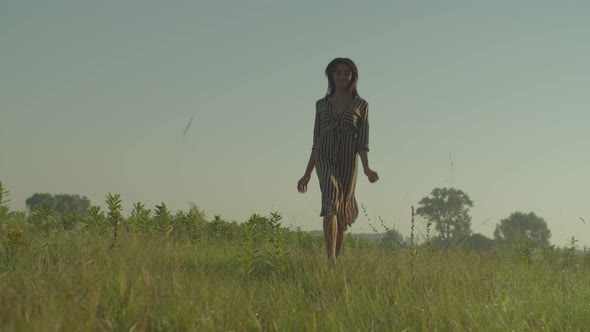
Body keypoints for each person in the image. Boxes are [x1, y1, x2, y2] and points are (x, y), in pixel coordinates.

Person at [297, 58, 379, 263]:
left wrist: (367, 169)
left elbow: (363, 142)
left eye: (346, 73)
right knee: (331, 203)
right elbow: (316, 142)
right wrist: (307, 173)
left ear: (353, 77)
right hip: (324, 157)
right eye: (337, 73)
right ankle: (331, 259)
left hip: (348, 161)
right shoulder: (321, 105)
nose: (342, 76)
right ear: (331, 76)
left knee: (342, 214)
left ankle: (334, 261)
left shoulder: (361, 105)